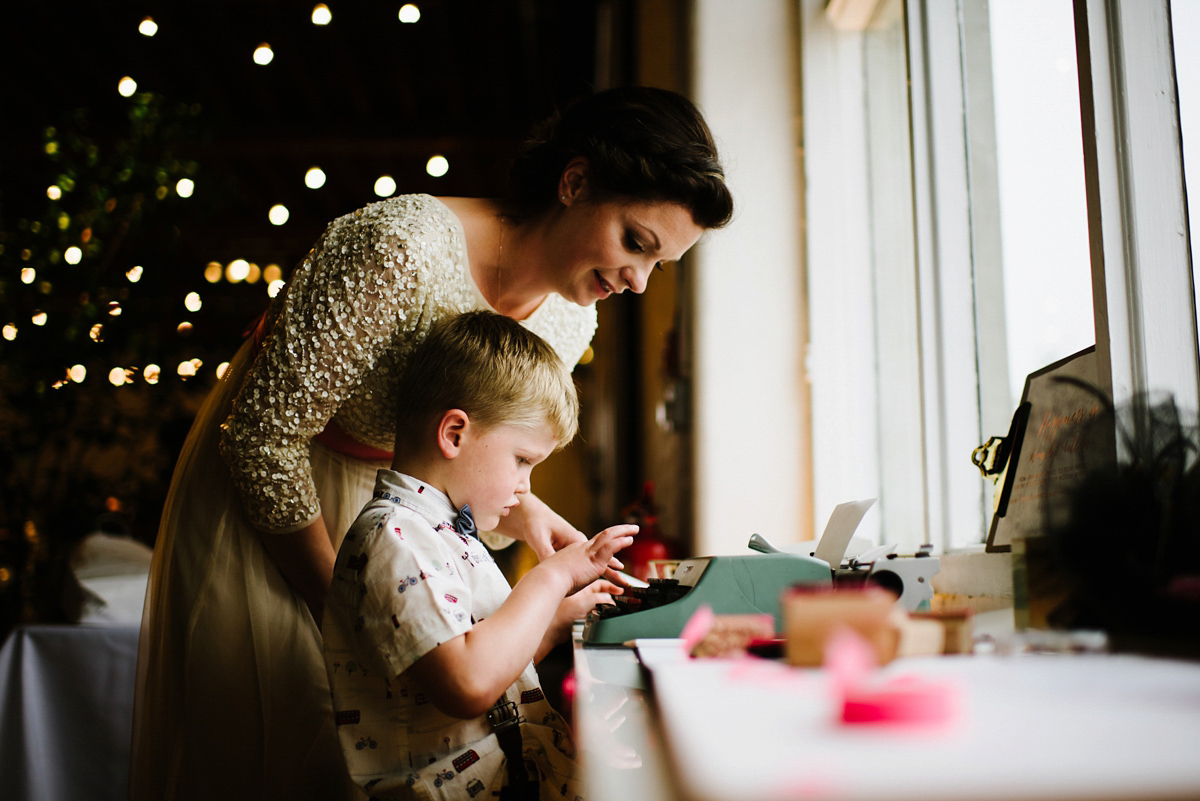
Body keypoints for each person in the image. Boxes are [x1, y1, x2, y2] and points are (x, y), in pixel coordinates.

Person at [130, 85, 733, 801]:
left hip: (407, 523)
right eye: (636, 242)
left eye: (659, 264)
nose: (637, 281)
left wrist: (530, 517)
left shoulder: (570, 322)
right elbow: (263, 438)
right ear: (574, 183)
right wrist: (361, 605)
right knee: (282, 746)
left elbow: (467, 458)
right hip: (280, 498)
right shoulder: (403, 246)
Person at [324, 310, 633, 800]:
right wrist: (549, 579)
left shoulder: (440, 531)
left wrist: (552, 624)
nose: (526, 486)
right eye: (522, 460)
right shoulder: (395, 539)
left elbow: (480, 656)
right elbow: (469, 683)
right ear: (454, 434)